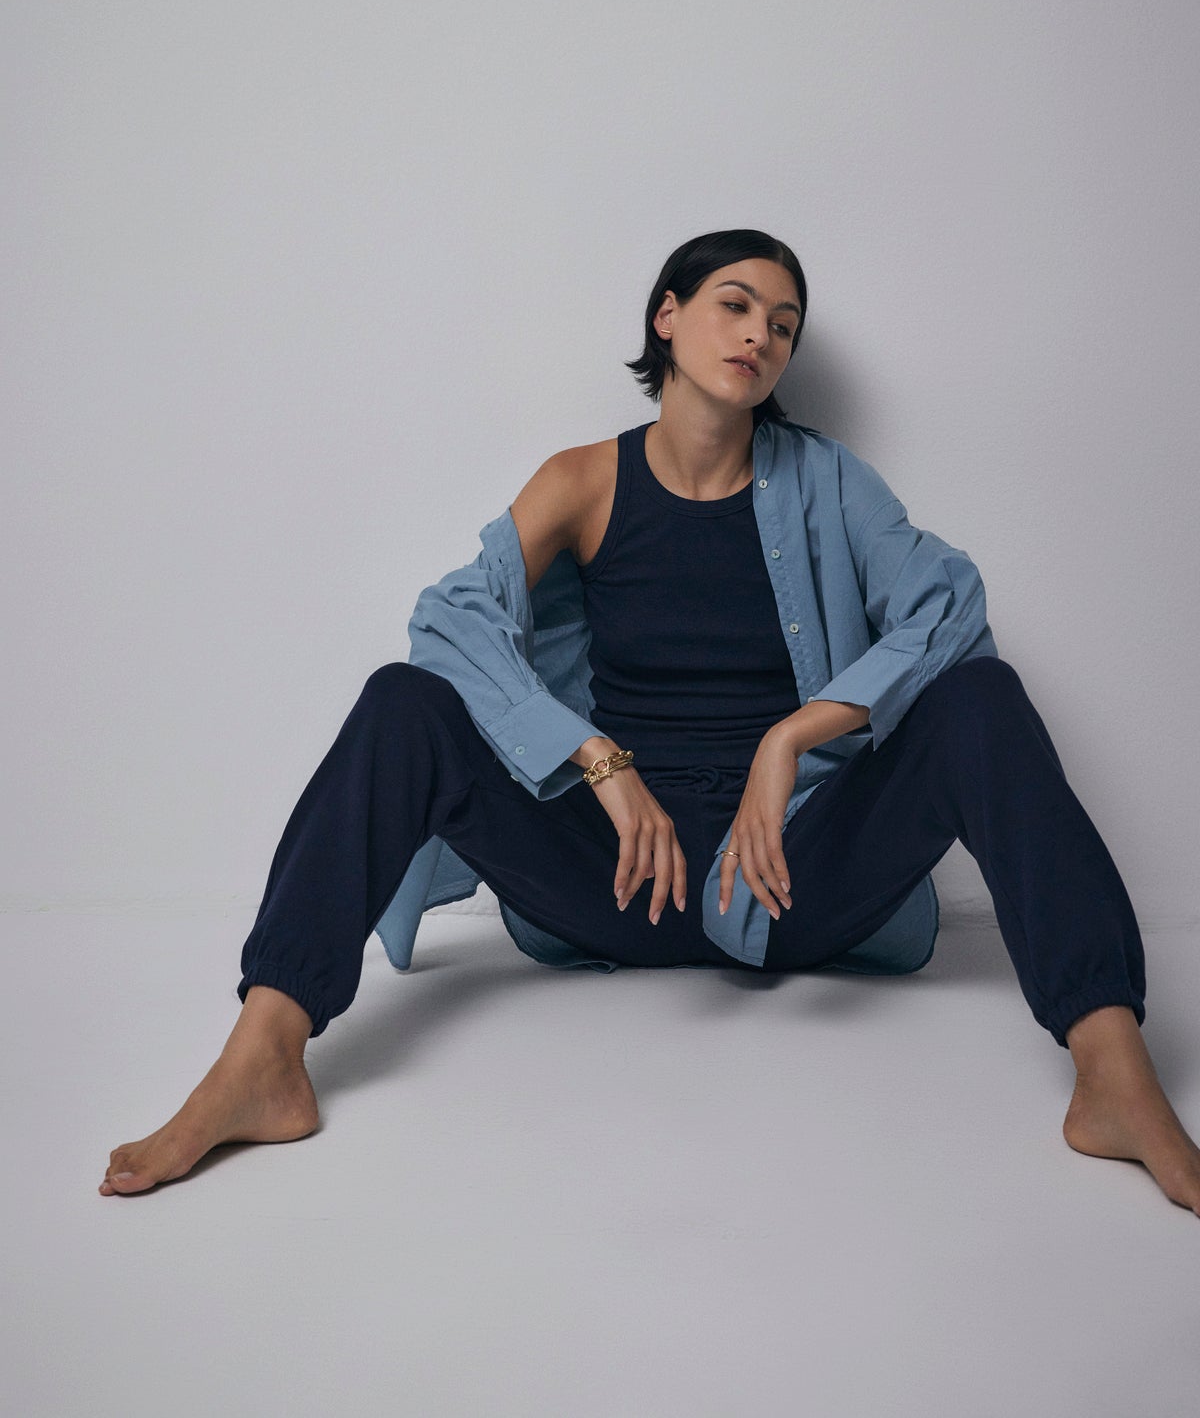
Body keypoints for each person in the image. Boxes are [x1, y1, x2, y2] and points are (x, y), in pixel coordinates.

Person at [100, 230, 1200, 1215]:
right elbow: (449, 619)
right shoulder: (580, 481)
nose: (760, 333)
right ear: (666, 316)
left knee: (980, 698)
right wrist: (600, 760)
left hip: (789, 876)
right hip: (613, 874)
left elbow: (950, 607)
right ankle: (266, 1054)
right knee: (406, 699)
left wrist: (790, 741)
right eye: (734, 302)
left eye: (783, 322)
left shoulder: (828, 480)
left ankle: (1109, 1065)